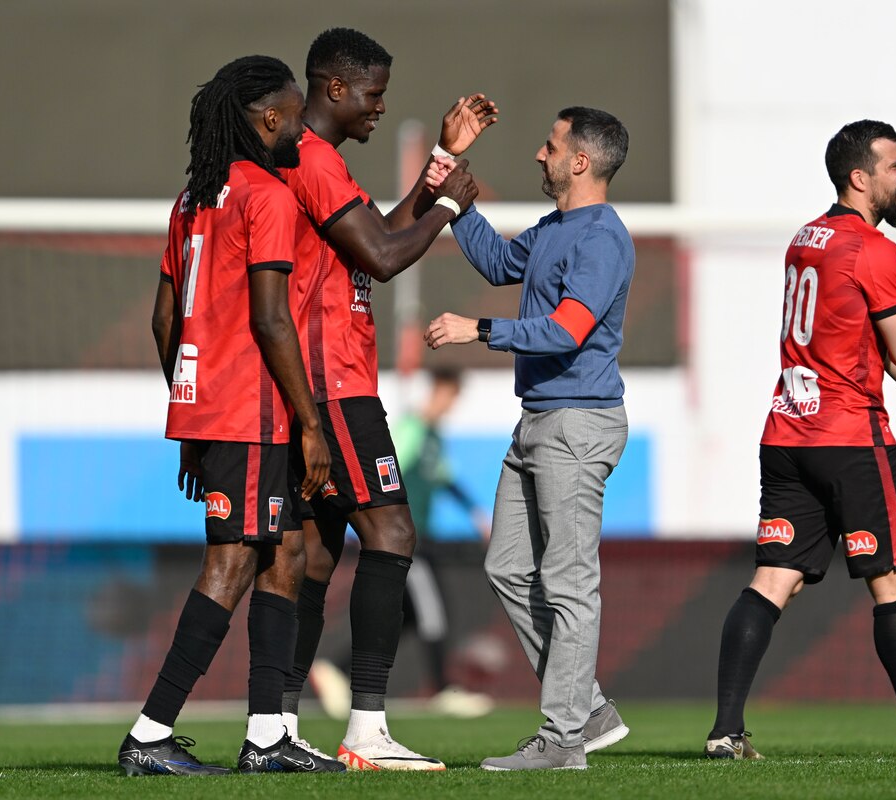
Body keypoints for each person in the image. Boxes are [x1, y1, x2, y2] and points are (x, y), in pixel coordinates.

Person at [703, 120, 896, 760]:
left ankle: (726, 732)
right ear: (860, 178)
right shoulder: (874, 248)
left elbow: (852, 338)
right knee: (894, 584)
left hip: (787, 433)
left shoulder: (806, 238)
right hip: (851, 439)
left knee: (773, 578)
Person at [118, 55, 344, 776]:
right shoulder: (267, 197)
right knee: (234, 559)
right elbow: (272, 321)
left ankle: (268, 735)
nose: (302, 124)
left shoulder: (192, 199)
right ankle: (150, 733)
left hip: (218, 409)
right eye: (293, 112)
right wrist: (311, 424)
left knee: (288, 554)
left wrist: (192, 411)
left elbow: (164, 322)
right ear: (271, 119)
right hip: (254, 410)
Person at [277, 27, 490, 772]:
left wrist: (444, 162)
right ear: (335, 87)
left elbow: (379, 231)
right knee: (393, 535)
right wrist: (453, 210)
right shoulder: (310, 157)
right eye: (373, 94)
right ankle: (366, 729)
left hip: (334, 380)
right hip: (334, 383)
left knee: (316, 556)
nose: (377, 108)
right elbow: (388, 255)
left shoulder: (318, 160)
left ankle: (276, 725)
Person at [423, 106, 635, 770]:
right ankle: (588, 708)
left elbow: (568, 330)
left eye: (550, 147)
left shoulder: (601, 239)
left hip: (577, 424)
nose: (538, 156)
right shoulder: (556, 228)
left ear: (579, 161)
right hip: (539, 419)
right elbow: (494, 261)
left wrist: (478, 330)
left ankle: (563, 737)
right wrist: (451, 180)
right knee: (507, 568)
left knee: (569, 582)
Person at [307, 367, 495, 720]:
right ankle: (441, 690)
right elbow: (390, 473)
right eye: (449, 395)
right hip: (410, 542)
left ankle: (335, 667)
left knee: (406, 616)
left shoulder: (433, 437)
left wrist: (475, 512)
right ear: (438, 390)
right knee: (433, 612)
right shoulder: (412, 430)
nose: (450, 404)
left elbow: (445, 479)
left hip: (422, 538)